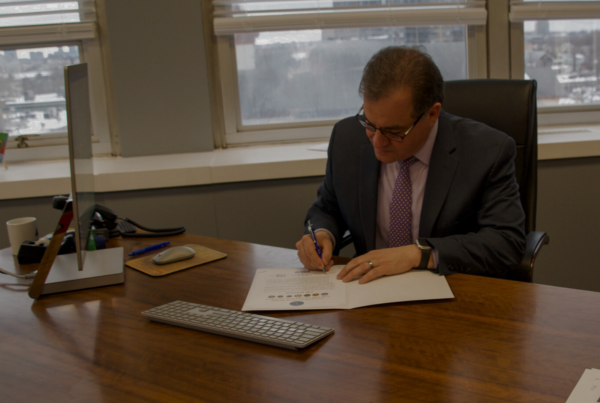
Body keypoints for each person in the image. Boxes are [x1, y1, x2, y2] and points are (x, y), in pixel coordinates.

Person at [295, 46, 526, 284]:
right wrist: (322, 235)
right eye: (370, 123)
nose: (377, 141)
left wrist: (418, 254)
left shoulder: (487, 151)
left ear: (432, 114)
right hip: (366, 290)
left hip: (451, 292)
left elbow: (506, 242)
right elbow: (327, 207)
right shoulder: (347, 138)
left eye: (394, 131)